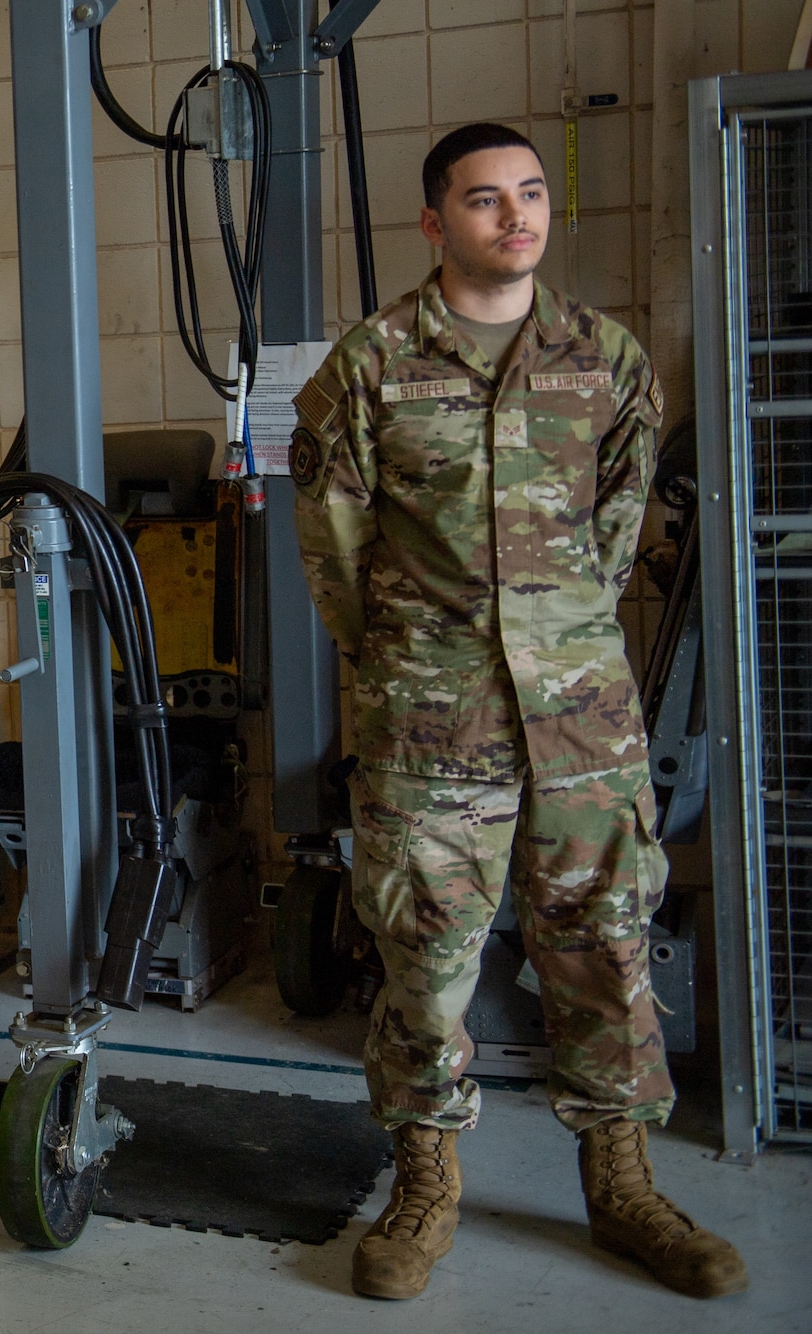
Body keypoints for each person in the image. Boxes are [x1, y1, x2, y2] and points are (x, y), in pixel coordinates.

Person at [292, 123, 746, 1301]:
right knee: (424, 958)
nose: (515, 217)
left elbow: (616, 522)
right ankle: (424, 1183)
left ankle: (621, 1181)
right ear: (435, 222)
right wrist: (407, 659)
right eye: (485, 200)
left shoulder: (602, 356)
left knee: (603, 945)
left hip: (581, 718)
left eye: (529, 195)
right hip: (429, 718)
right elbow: (333, 551)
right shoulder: (369, 364)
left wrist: (558, 638)